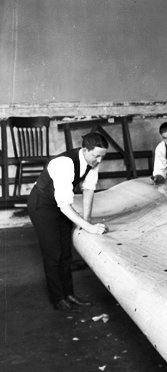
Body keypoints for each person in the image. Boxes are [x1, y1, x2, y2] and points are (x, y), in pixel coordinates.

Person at [27, 132, 110, 313]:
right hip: (42, 206)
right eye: (96, 155)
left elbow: (88, 189)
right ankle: (58, 299)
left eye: (102, 156)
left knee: (65, 253)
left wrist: (86, 220)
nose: (99, 160)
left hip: (60, 205)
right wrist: (89, 228)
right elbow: (64, 206)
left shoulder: (92, 162)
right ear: (84, 150)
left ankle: (69, 294)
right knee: (53, 254)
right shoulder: (64, 164)